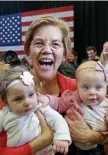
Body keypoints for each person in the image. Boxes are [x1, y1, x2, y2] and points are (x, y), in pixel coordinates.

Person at [0, 15, 107, 155]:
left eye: (55, 44)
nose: (47, 50)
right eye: (39, 43)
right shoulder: (10, 91)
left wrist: (92, 136)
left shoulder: (79, 88)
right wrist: (41, 141)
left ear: (64, 54)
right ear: (28, 52)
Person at [39, 60, 108, 155]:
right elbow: (58, 102)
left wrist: (96, 136)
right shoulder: (73, 98)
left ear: (106, 87)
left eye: (98, 87)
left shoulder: (106, 104)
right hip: (73, 146)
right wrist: (47, 99)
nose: (92, 92)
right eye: (85, 87)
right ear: (77, 87)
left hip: (96, 147)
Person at [0, 65, 71, 155]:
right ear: (6, 101)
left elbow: (58, 120)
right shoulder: (4, 115)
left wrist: (62, 137)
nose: (27, 102)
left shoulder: (40, 108)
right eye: (18, 99)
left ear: (37, 93)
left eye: (30, 95)